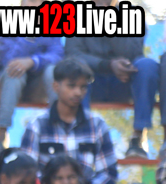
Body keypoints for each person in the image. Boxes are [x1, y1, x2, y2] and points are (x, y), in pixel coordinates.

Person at [20, 58, 119, 184]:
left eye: (83, 87)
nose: (78, 92)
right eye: (71, 86)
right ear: (56, 87)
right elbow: (29, 172)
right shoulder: (37, 125)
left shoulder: (97, 124)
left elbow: (108, 172)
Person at [66, 10, 159, 159]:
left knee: (147, 66)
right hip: (91, 83)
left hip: (124, 82)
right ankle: (83, 137)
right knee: (75, 67)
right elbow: (73, 54)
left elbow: (133, 53)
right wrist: (107, 65)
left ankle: (138, 137)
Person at [0, 0, 61, 151]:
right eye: (30, 0)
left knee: (53, 71)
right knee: (15, 71)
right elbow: (9, 60)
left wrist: (33, 61)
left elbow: (57, 55)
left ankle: (58, 128)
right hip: (6, 84)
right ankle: (2, 133)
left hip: (36, 87)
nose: (33, 6)